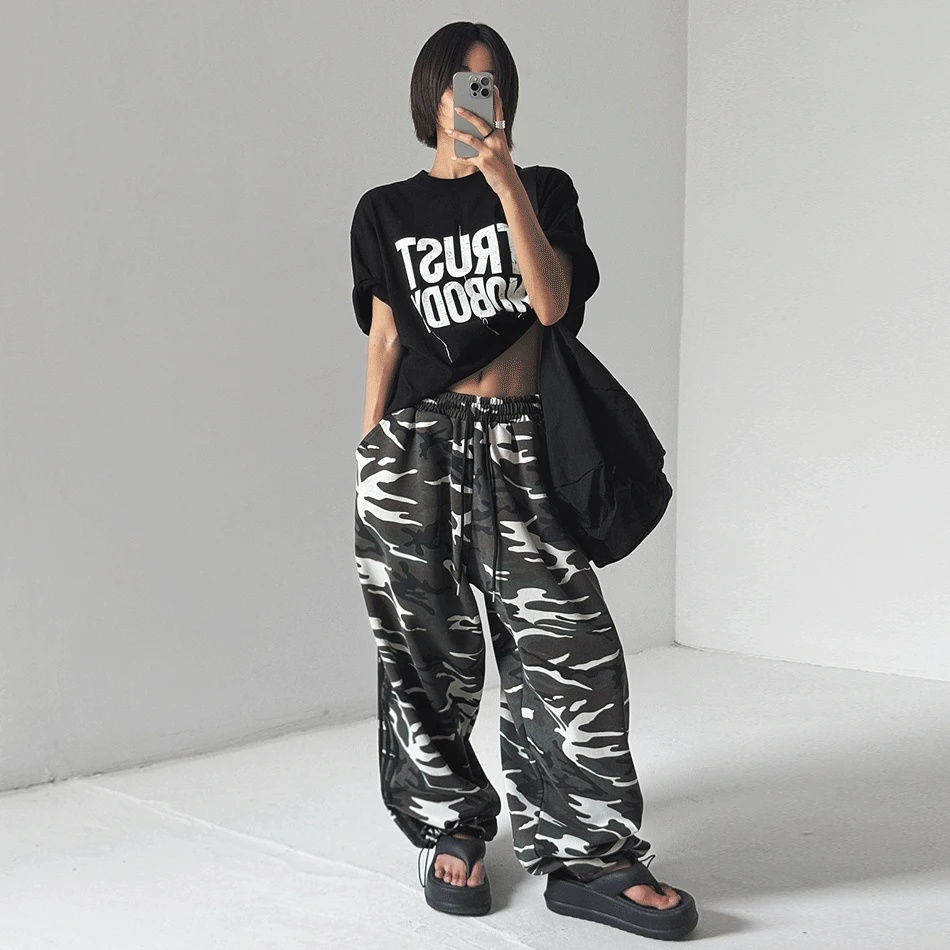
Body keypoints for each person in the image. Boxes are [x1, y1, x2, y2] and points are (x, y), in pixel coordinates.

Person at [350, 21, 698, 941]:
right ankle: (451, 826)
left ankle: (590, 857)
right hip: (415, 449)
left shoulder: (543, 190)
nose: (476, 99)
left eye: (491, 84)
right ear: (429, 95)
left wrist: (503, 182)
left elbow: (551, 304)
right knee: (422, 652)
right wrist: (370, 449)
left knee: (569, 650)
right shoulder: (383, 210)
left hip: (519, 440)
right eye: (461, 84)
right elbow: (385, 338)